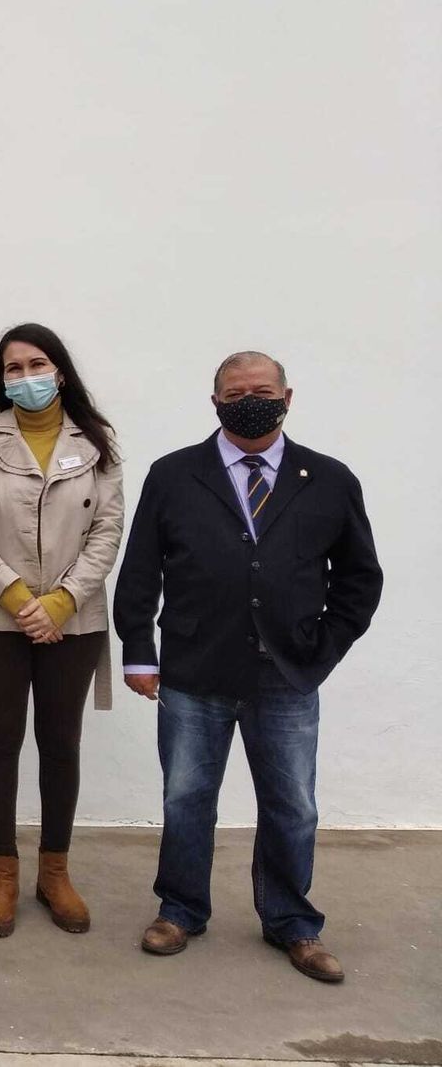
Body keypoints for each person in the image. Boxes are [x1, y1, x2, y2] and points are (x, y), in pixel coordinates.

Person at [115, 351, 382, 982]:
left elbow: (360, 578)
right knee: (186, 799)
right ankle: (180, 909)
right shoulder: (175, 474)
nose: (249, 399)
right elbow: (140, 571)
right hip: (192, 671)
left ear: (288, 396)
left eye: (261, 389)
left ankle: (293, 922)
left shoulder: (331, 480)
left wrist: (323, 650)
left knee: (293, 805)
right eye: (235, 392)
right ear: (215, 403)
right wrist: (137, 650)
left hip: (286, 675)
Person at [0, 323, 125, 938]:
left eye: (36, 364)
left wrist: (63, 602)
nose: (25, 377)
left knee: (60, 742)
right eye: (12, 368)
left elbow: (107, 530)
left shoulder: (98, 442)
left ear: (61, 370)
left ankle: (55, 871)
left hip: (73, 619)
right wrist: (21, 597)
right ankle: (2, 873)